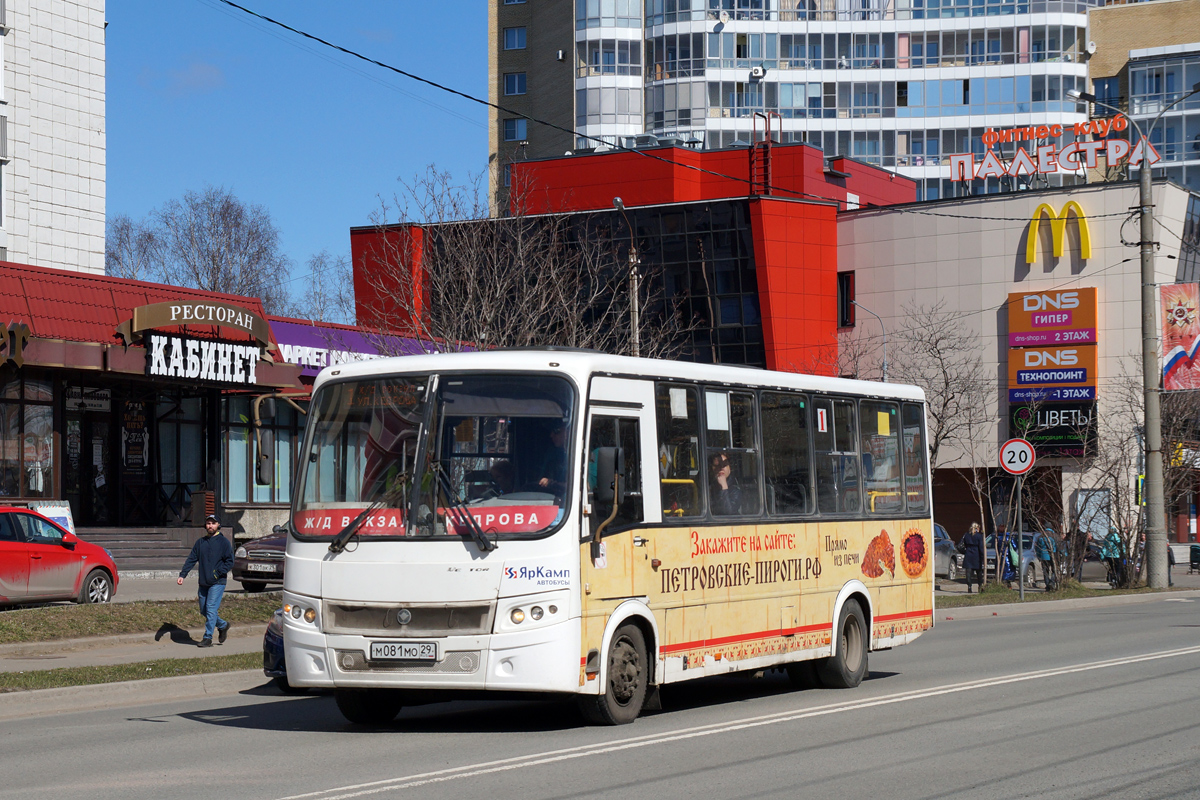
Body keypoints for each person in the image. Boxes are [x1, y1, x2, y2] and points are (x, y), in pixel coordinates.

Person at [177, 513, 234, 647]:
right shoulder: (200, 542)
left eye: (213, 523)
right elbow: (191, 559)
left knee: (211, 609)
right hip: (203, 582)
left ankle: (207, 638)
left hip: (217, 582)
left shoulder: (224, 542)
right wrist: (182, 575)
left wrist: (217, 573)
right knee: (204, 610)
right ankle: (223, 625)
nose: (210, 526)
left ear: (218, 525)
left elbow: (230, 562)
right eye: (208, 523)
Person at [536, 423, 568, 494]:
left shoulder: (579, 458)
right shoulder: (553, 455)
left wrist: (551, 483)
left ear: (567, 432)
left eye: (557, 431)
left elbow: (575, 486)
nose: (551, 435)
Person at [960, 522, 985, 593]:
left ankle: (969, 586)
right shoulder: (979, 536)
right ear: (977, 528)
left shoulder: (967, 535)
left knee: (968, 572)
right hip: (976, 554)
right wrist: (982, 556)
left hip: (968, 554)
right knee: (979, 572)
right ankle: (980, 586)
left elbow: (962, 544)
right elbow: (981, 547)